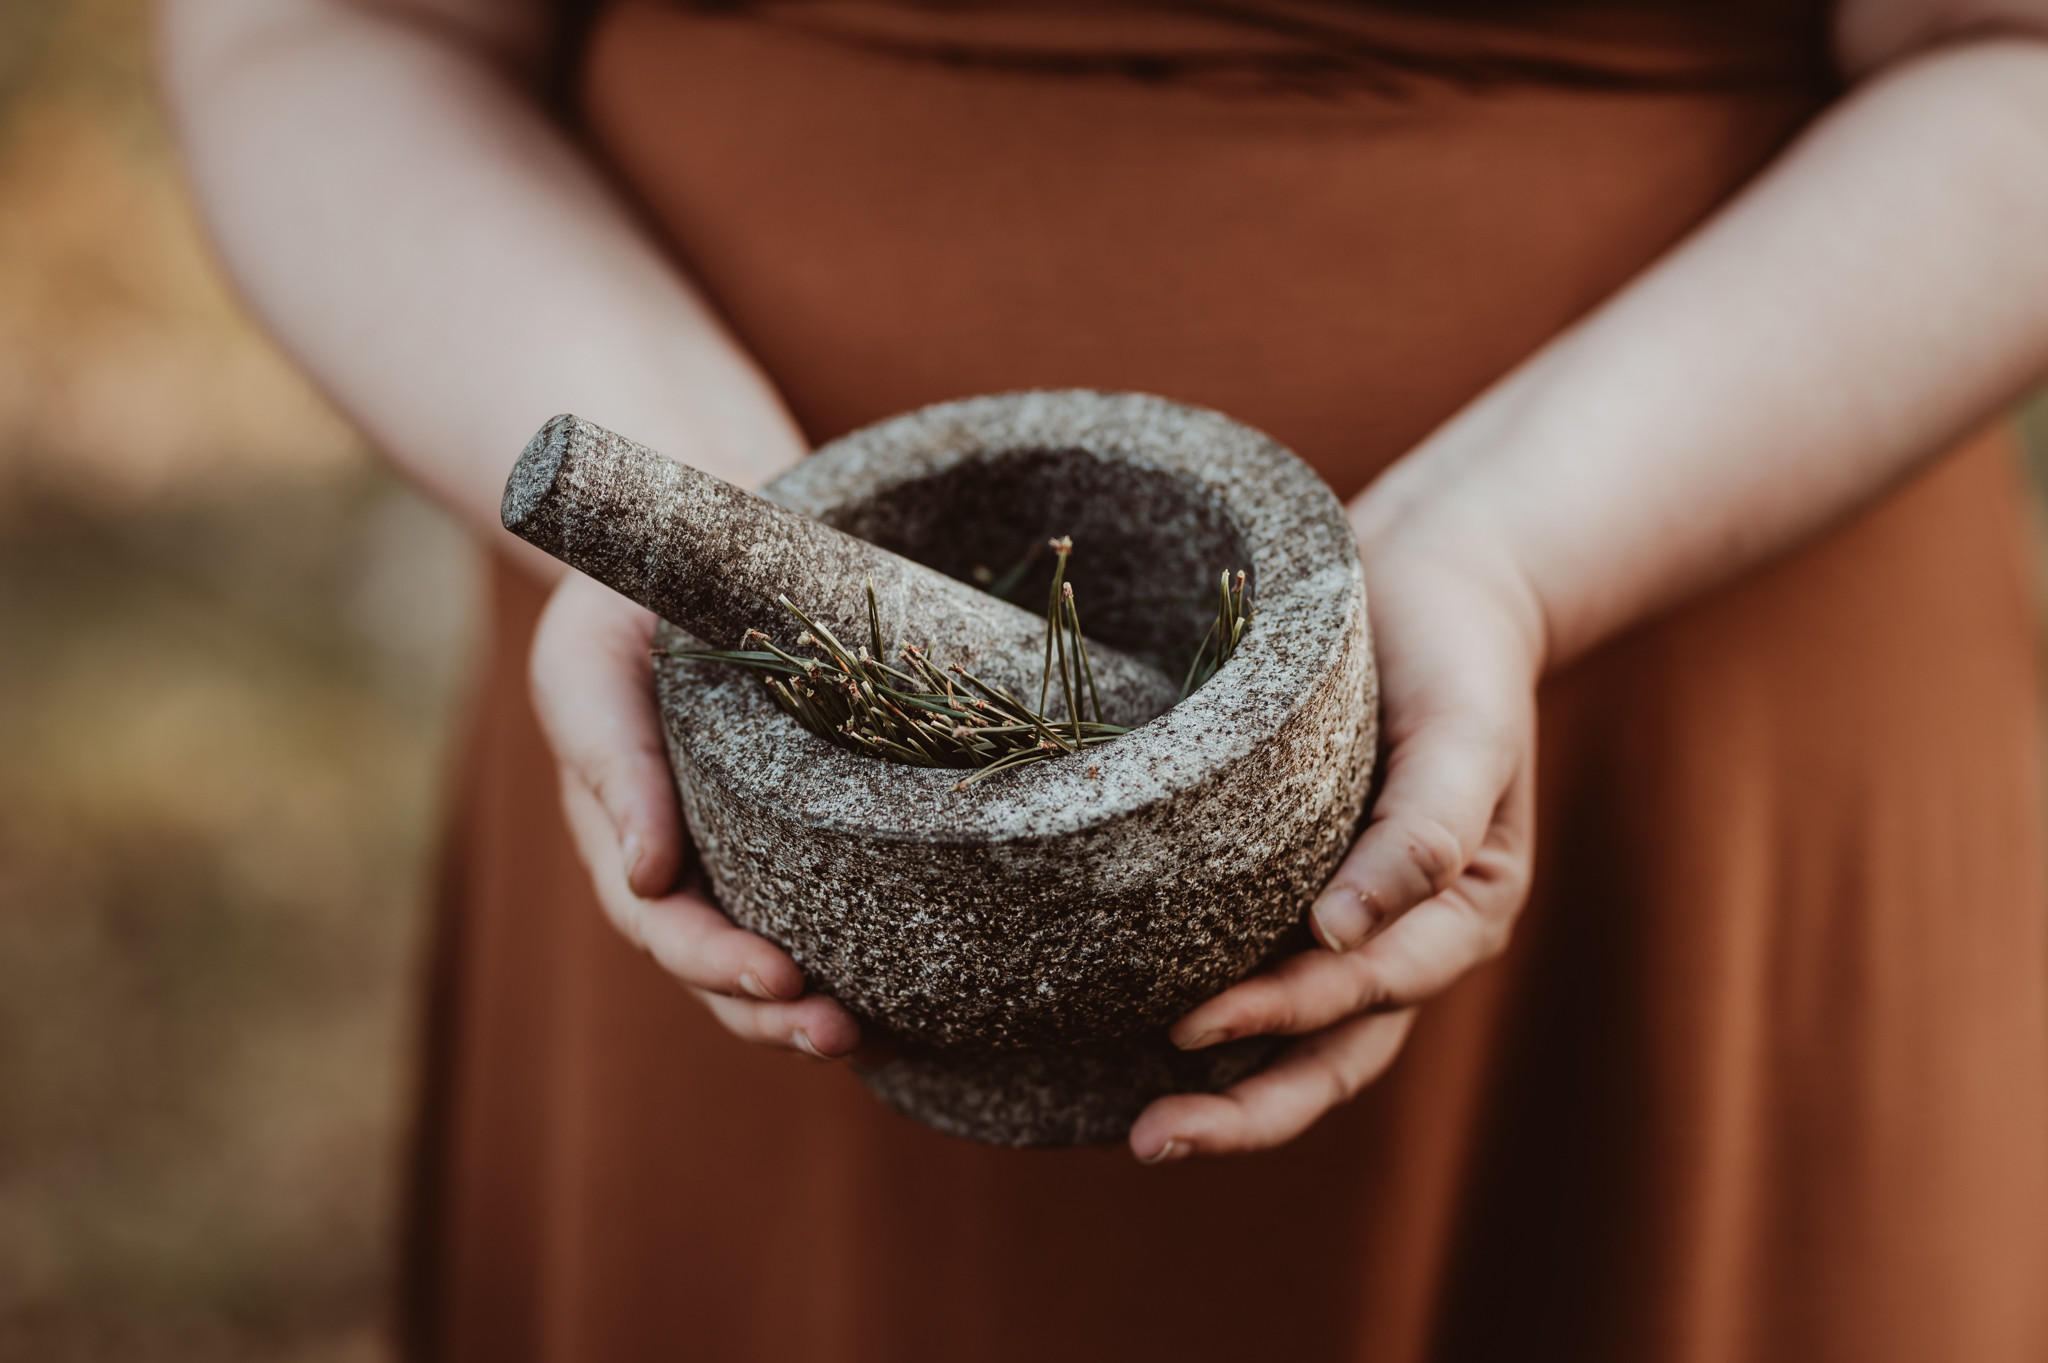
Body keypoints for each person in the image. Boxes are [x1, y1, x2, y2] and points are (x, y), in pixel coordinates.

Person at [159, 0, 2048, 1355]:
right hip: (741, 826)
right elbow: (323, 25)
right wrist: (666, 472)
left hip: (1688, 672)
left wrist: (1512, 545)